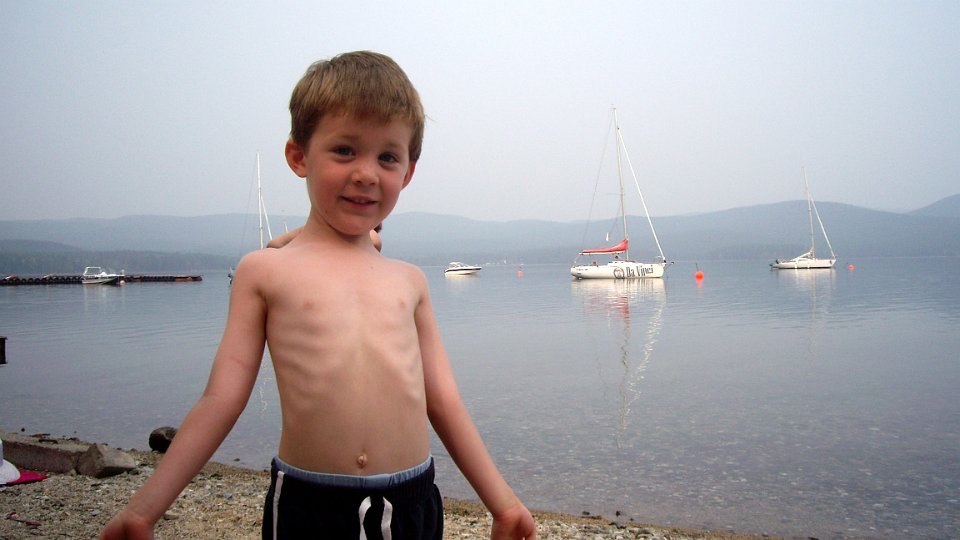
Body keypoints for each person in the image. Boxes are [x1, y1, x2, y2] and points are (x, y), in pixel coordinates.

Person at [100, 51, 536, 540]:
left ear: (408, 172)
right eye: (345, 150)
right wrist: (143, 512)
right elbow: (221, 399)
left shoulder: (409, 281)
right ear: (299, 157)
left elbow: (444, 399)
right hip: (310, 502)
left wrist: (503, 503)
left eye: (387, 157)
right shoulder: (265, 271)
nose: (367, 173)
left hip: (412, 500)